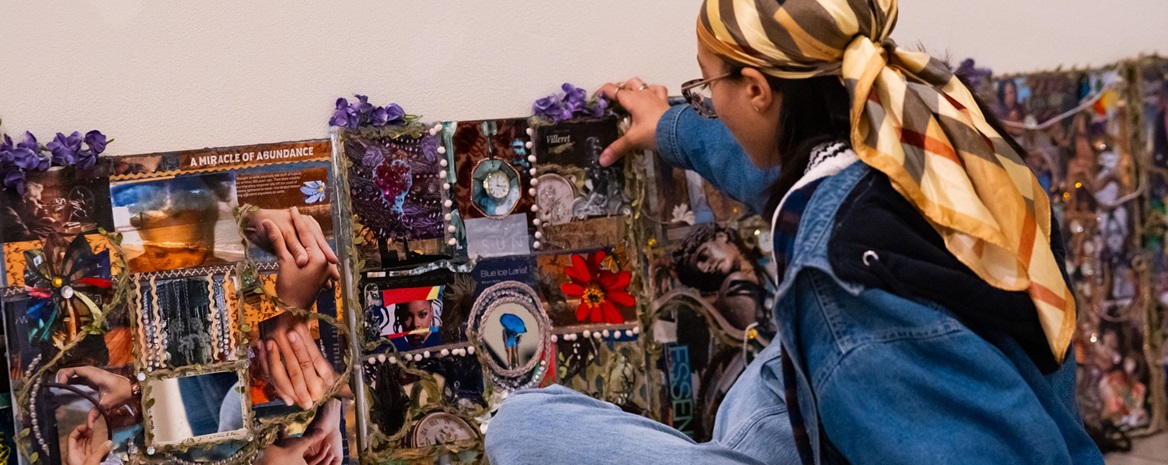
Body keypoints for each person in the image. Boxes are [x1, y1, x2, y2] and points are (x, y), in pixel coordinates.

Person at [485, 1, 1103, 464]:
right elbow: (775, 168)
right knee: (769, 379)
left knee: (524, 426)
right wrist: (673, 128)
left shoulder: (842, 275)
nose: (709, 103)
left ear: (756, 89)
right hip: (993, 412)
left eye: (706, 86)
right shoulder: (926, 140)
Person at [673, 223, 771, 332]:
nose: (705, 269)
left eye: (704, 256)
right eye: (702, 276)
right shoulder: (733, 289)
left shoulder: (766, 266)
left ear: (721, 237)